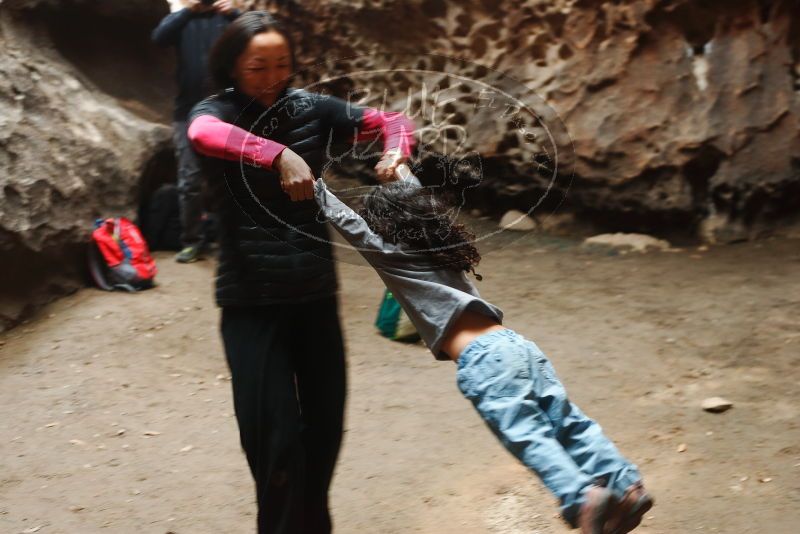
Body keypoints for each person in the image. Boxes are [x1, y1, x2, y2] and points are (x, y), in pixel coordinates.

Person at [312, 168, 654, 534]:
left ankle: (579, 495)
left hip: (483, 362)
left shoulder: (391, 255)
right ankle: (626, 485)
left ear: (384, 227)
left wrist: (313, 184)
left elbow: (347, 221)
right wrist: (401, 171)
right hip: (517, 346)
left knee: (527, 433)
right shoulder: (442, 247)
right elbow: (421, 201)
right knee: (568, 423)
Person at [184, 11, 415, 534]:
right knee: (276, 441)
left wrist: (396, 153)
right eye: (257, 66)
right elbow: (203, 133)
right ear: (232, 65)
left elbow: (393, 121)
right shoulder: (215, 110)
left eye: (282, 64)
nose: (271, 77)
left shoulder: (308, 107)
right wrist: (276, 153)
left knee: (323, 432)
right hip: (251, 299)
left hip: (314, 292)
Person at [151, 0, 240, 263]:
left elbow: (258, 33)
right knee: (189, 181)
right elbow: (158, 38)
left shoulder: (227, 19)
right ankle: (192, 241)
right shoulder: (183, 19)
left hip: (225, 111)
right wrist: (189, 10)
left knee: (230, 180)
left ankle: (231, 241)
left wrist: (234, 12)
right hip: (186, 112)